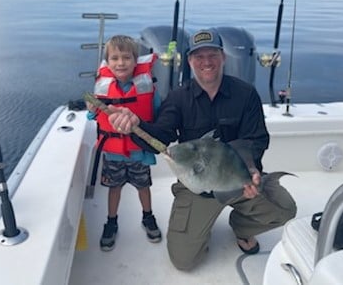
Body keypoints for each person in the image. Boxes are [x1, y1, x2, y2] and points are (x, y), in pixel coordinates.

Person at [107, 29, 297, 269]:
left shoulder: (245, 93)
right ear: (189, 61)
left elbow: (256, 139)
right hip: (196, 186)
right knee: (184, 261)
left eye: (212, 55)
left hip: (237, 180)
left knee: (285, 210)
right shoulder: (178, 98)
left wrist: (251, 170)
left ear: (223, 57)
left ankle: (241, 226)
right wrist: (136, 126)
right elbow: (161, 138)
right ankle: (200, 227)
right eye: (199, 56)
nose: (206, 62)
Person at [86, 35, 162, 251]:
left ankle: (148, 217)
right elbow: (91, 118)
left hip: (139, 153)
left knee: (143, 187)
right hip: (113, 154)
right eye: (115, 58)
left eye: (126, 57)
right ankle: (112, 221)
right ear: (108, 62)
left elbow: (158, 113)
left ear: (135, 60)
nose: (121, 63)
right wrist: (91, 111)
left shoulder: (148, 87)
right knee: (114, 188)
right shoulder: (101, 89)